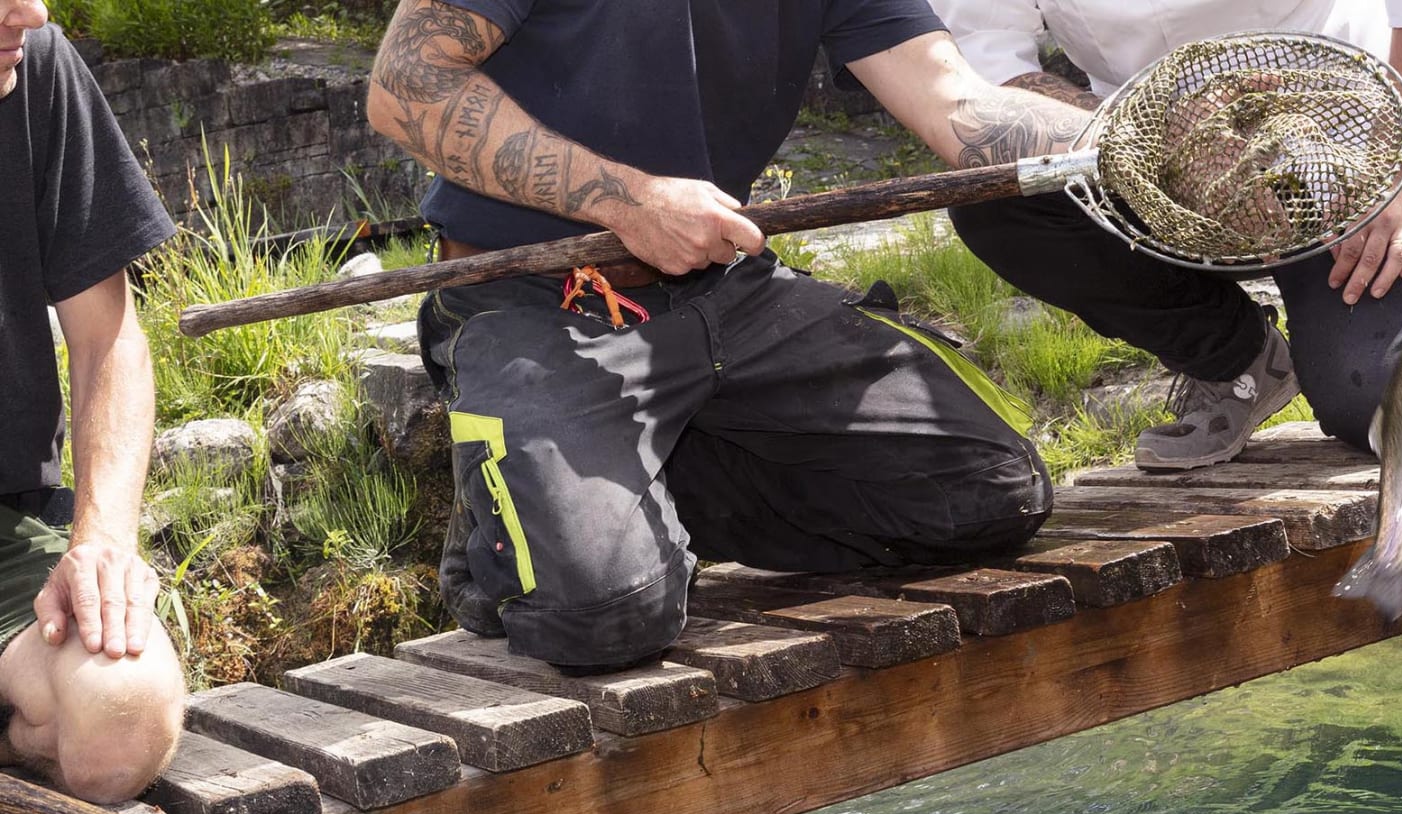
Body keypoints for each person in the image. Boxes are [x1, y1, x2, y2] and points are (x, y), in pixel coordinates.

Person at [366, 0, 1098, 673]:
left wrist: (1126, 137)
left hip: (726, 287)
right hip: (532, 300)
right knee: (609, 616)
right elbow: (404, 88)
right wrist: (630, 201)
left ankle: (619, 477)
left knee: (992, 494)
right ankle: (511, 518)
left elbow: (955, 101)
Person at [931, 0, 1402, 469]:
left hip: (1359, 132)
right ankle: (1237, 362)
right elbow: (984, 65)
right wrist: (1163, 138)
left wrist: (1396, 173)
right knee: (998, 196)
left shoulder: (1378, 150)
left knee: (1385, 406)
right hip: (1138, 146)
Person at [0, 0, 186, 803]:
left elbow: (107, 338)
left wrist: (102, 540)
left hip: (8, 527)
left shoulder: (35, 63)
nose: (32, 11)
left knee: (124, 711)